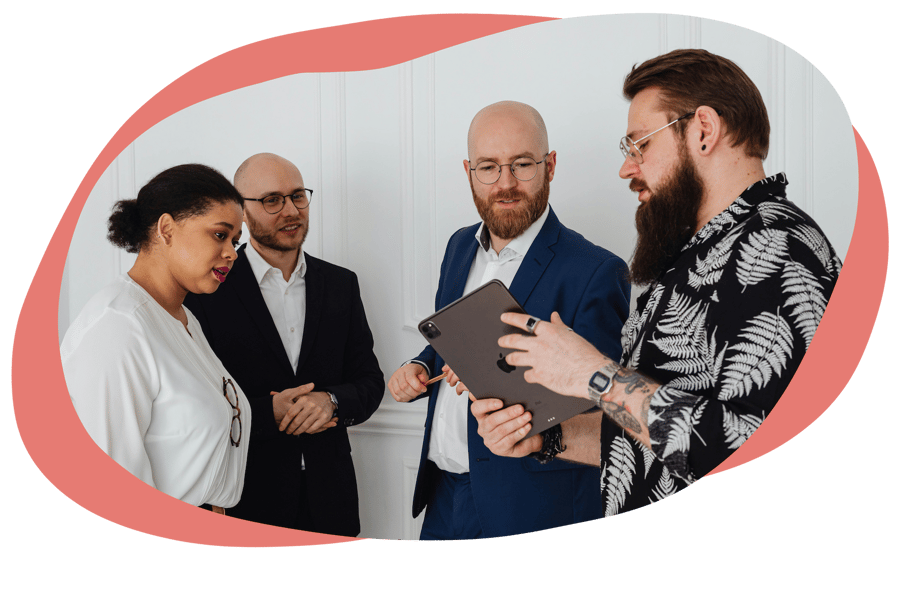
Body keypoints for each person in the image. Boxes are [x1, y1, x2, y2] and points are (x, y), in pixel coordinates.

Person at [472, 49, 842, 517]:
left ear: (703, 130)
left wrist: (594, 374)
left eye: (639, 144)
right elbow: (655, 441)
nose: (627, 168)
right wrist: (545, 439)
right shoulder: (698, 249)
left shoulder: (775, 247)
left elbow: (758, 450)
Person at [388, 101, 630, 539]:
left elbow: (604, 405)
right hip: (443, 496)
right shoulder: (459, 246)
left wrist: (500, 376)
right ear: (468, 171)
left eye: (522, 164)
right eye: (488, 167)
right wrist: (422, 366)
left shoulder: (597, 271)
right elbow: (451, 336)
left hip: (531, 509)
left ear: (550, 165)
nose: (505, 184)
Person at [184, 153, 383, 536]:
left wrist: (332, 402)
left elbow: (370, 381)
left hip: (332, 503)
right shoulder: (206, 290)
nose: (291, 210)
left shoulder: (342, 284)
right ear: (241, 211)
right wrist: (266, 413)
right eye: (272, 200)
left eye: (298, 196)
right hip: (245, 502)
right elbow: (195, 405)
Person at [61, 164, 250, 512]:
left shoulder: (182, 317)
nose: (232, 253)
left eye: (235, 241)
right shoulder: (118, 326)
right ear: (166, 229)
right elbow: (109, 491)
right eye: (220, 235)